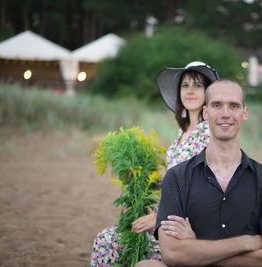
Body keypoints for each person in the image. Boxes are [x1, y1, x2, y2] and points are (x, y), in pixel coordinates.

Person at [136, 79, 262, 267]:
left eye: (234, 106)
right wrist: (243, 242)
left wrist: (195, 249)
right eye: (217, 105)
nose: (225, 114)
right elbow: (172, 254)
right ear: (206, 112)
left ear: (244, 113)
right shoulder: (177, 177)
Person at [90, 61, 220, 266]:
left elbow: (203, 186)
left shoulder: (208, 133)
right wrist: (147, 180)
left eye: (197, 85)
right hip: (168, 217)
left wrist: (159, 218)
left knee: (109, 241)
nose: (190, 91)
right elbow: (176, 179)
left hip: (186, 225)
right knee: (109, 240)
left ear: (209, 92)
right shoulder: (183, 132)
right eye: (185, 86)